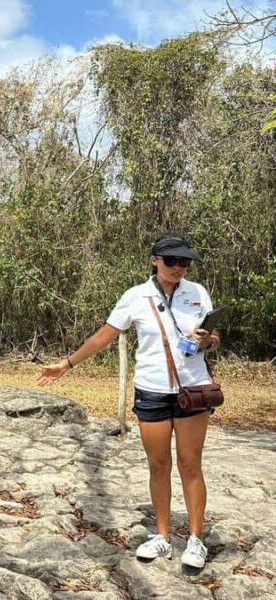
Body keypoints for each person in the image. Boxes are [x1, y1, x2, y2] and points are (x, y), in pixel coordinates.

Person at [37, 233, 221, 569]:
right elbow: (103, 336)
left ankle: (196, 539)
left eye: (184, 262)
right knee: (159, 465)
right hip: (152, 389)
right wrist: (66, 364)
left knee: (191, 464)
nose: (178, 267)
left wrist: (208, 340)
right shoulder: (136, 297)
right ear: (155, 260)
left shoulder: (198, 294)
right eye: (171, 261)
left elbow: (215, 338)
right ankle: (163, 537)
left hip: (193, 388)